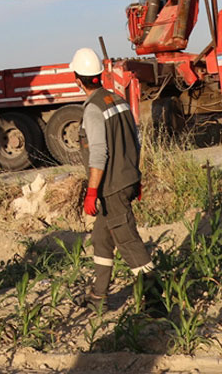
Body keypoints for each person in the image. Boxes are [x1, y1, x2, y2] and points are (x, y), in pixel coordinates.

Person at [71, 47, 152, 307]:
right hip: (125, 180)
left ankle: (156, 303)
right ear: (99, 76)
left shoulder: (93, 109)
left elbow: (98, 154)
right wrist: (135, 177)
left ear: (77, 79)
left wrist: (91, 192)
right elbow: (134, 141)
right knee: (101, 239)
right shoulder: (117, 99)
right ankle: (98, 296)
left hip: (111, 188)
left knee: (129, 243)